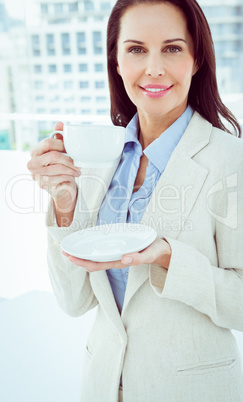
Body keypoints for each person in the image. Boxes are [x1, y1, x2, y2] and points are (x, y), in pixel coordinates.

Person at [27, 0, 243, 400]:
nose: (154, 67)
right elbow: (75, 301)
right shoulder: (97, 160)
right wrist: (64, 200)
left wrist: (168, 258)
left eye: (173, 48)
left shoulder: (230, 160)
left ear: (196, 60)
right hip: (103, 387)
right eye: (136, 49)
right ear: (117, 62)